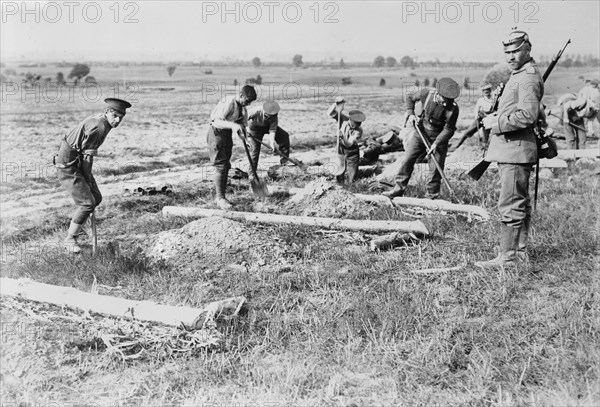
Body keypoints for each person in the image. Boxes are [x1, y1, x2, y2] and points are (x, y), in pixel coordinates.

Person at [476, 29, 544, 270]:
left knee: (511, 204)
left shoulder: (527, 77)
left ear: (528, 49)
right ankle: (520, 253)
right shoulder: (520, 74)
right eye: (507, 52)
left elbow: (528, 115)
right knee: (519, 202)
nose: (511, 56)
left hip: (515, 150)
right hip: (512, 149)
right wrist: (498, 114)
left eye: (516, 51)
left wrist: (496, 123)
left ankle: (508, 258)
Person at [55, 98, 132, 253]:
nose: (117, 120)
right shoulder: (99, 127)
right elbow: (86, 158)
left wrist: (88, 179)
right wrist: (88, 178)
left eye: (120, 118)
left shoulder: (102, 121)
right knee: (87, 203)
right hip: (69, 167)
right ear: (107, 112)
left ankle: (78, 227)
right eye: (114, 116)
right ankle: (70, 239)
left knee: (96, 197)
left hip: (76, 163)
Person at [383, 77, 460, 199]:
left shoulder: (453, 109)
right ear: (438, 94)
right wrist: (411, 114)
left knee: (435, 169)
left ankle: (432, 196)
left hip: (438, 138)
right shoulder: (426, 94)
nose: (446, 103)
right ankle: (398, 190)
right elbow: (409, 97)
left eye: (449, 100)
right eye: (444, 99)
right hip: (421, 133)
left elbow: (449, 129)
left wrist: (436, 143)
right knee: (407, 160)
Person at [207, 85, 257, 210]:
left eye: (250, 102)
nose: (248, 104)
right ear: (241, 95)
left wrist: (246, 139)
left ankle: (222, 197)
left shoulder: (242, 108)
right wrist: (233, 126)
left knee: (226, 165)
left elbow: (243, 125)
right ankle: (220, 198)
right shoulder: (228, 102)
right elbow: (215, 121)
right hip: (216, 133)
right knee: (220, 165)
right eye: (247, 101)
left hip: (226, 134)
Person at [327, 97, 366, 183]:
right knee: (339, 170)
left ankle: (352, 188)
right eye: (354, 124)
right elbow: (330, 113)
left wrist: (342, 137)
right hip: (340, 148)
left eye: (358, 124)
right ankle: (339, 186)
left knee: (352, 175)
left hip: (352, 152)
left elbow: (349, 144)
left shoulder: (358, 130)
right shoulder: (343, 119)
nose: (355, 127)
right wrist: (336, 104)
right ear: (350, 119)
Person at [246, 100, 291, 172]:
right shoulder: (255, 111)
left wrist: (272, 143)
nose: (271, 118)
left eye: (273, 116)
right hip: (254, 128)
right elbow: (243, 120)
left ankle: (285, 162)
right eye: (269, 116)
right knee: (254, 151)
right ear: (265, 112)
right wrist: (247, 131)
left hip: (267, 126)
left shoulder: (274, 116)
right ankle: (252, 172)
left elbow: (272, 130)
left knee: (284, 136)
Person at [460, 83, 494, 147]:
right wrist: (476, 116)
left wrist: (490, 117)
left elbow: (495, 110)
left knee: (485, 135)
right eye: (484, 91)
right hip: (480, 117)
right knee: (469, 131)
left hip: (488, 119)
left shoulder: (493, 100)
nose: (486, 93)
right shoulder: (480, 100)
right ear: (483, 92)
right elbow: (476, 108)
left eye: (488, 91)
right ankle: (457, 145)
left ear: (490, 91)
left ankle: (484, 147)